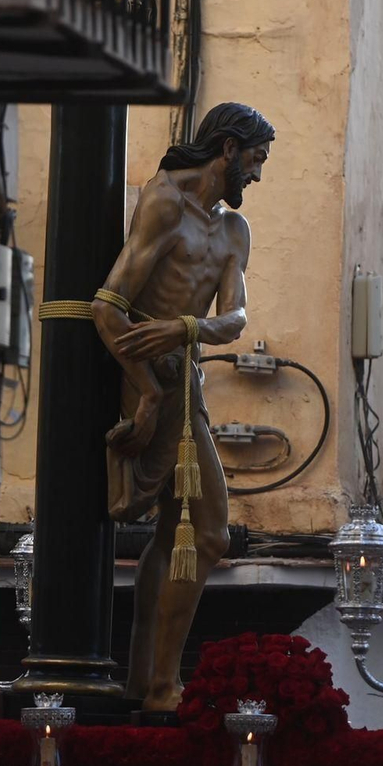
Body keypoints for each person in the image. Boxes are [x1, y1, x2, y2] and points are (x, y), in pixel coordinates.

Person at [91, 101, 274, 711]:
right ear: (226, 149)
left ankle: (155, 681)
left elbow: (234, 319)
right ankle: (152, 682)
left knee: (203, 530)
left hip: (182, 375)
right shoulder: (165, 201)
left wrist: (183, 329)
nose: (256, 173)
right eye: (254, 159)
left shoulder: (232, 231)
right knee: (187, 527)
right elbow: (108, 304)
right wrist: (144, 392)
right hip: (140, 374)